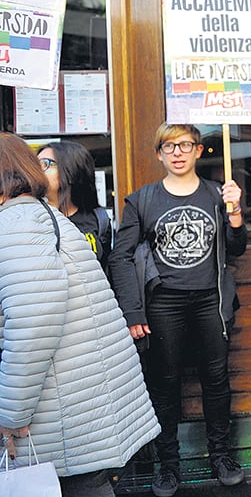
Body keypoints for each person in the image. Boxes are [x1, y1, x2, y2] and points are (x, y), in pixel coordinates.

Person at [0, 133, 160, 497]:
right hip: (79, 404)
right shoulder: (37, 216)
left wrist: (10, 414)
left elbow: (33, 323)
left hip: (60, 412)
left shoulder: (18, 224)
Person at [109, 123, 248, 497]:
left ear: (199, 151)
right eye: (168, 146)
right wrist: (134, 312)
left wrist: (235, 215)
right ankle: (167, 464)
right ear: (159, 154)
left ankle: (221, 455)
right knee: (164, 383)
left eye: (186, 145)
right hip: (163, 303)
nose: (177, 152)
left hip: (210, 302)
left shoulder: (219, 195)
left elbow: (236, 249)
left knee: (216, 380)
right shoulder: (141, 200)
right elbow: (120, 257)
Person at [37, 140, 113, 271]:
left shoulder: (99, 220)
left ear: (71, 171)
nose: (37, 171)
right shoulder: (33, 218)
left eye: (45, 164)